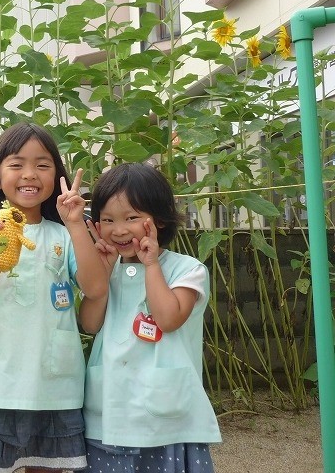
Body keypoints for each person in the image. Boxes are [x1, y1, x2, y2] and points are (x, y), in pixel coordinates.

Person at [0, 122, 108, 473]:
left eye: (42, 165)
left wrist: (76, 222)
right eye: (16, 164)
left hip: (55, 388)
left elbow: (95, 288)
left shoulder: (64, 236)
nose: (29, 174)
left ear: (57, 177)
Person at [79, 163, 221, 472]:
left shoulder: (187, 269)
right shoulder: (105, 272)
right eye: (108, 220)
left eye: (131, 217)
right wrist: (102, 274)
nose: (119, 230)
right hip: (109, 417)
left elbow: (168, 318)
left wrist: (152, 264)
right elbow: (89, 324)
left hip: (167, 419)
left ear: (159, 218)